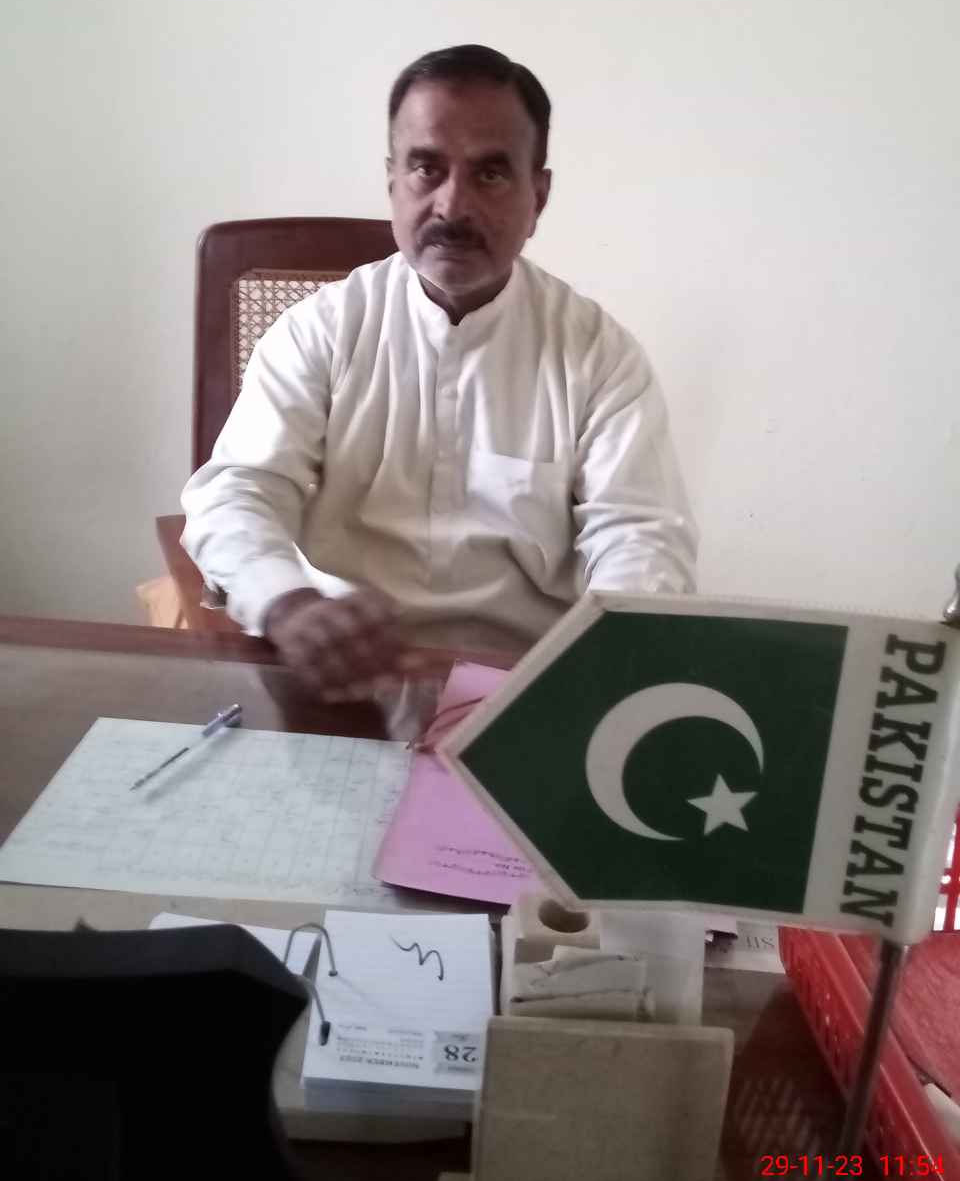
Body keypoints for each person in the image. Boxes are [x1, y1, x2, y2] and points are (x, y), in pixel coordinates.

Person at [181, 44, 697, 728]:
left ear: (538, 196)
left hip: (522, 700)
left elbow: (642, 541)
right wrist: (289, 604)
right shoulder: (320, 331)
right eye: (426, 167)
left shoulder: (598, 356)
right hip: (336, 688)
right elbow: (236, 493)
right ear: (392, 180)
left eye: (491, 173)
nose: (452, 205)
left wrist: (596, 669)